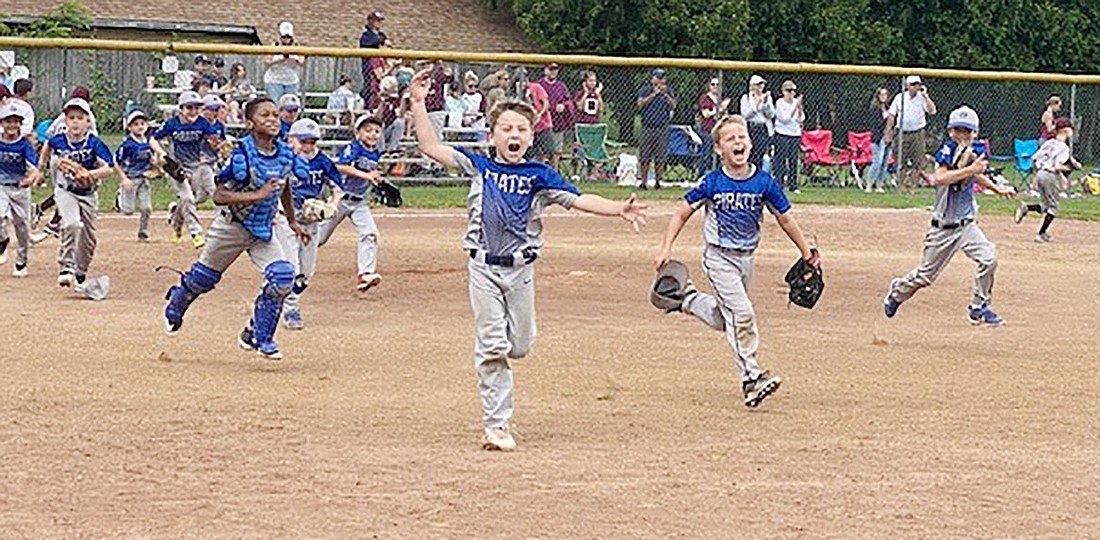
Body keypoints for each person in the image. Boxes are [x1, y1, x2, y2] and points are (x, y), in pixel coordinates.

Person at [408, 68, 647, 452]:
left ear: (532, 136)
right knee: (492, 346)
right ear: (492, 135)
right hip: (483, 267)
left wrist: (618, 208)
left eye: (521, 129)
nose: (514, 135)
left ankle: (505, 348)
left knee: (518, 345)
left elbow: (581, 199)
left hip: (521, 271)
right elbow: (432, 149)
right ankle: (497, 425)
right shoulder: (480, 167)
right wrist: (418, 103)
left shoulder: (540, 175)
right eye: (506, 128)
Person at [654, 114, 819, 408]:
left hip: (746, 259)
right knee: (741, 314)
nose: (738, 142)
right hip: (718, 258)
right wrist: (666, 247)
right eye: (730, 139)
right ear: (718, 149)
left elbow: (785, 219)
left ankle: (685, 299)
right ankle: (751, 378)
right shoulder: (712, 182)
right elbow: (681, 212)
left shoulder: (763, 182)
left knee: (724, 318)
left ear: (751, 142)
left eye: (742, 137)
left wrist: (807, 252)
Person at [162, 96, 310, 360]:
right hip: (232, 226)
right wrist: (258, 195)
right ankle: (178, 302)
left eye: (275, 115)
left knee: (283, 276)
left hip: (263, 230)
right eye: (265, 115)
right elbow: (219, 195)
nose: (273, 120)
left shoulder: (285, 153)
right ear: (250, 123)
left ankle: (258, 335)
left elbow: (283, 187)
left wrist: (292, 221)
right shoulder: (241, 153)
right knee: (203, 279)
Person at [883, 106, 1015, 326]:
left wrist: (996, 188)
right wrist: (972, 170)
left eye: (967, 130)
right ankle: (897, 291)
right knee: (925, 276)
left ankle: (978, 307)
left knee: (989, 258)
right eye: (957, 130)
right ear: (950, 131)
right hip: (943, 227)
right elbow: (940, 178)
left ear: (975, 132)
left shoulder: (974, 151)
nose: (962, 135)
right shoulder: (946, 151)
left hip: (967, 225)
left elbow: (975, 175)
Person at [41, 98, 115, 292]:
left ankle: (81, 271)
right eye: (71, 118)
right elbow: (48, 146)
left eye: (80, 118)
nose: (75, 122)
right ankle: (66, 267)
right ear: (65, 122)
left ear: (88, 122)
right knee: (72, 223)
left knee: (89, 238)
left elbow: (109, 168)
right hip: (65, 191)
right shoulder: (58, 140)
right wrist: (40, 168)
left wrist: (90, 174)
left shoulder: (94, 143)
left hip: (88, 194)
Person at [276, 118, 344, 329]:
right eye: (303, 141)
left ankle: (275, 298)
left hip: (310, 221)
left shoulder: (322, 162)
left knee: (306, 273)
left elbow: (337, 188)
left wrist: (332, 205)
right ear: (290, 140)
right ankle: (290, 309)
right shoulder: (283, 160)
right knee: (291, 267)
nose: (308, 146)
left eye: (312, 142)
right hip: (286, 218)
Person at [316, 115, 385, 292]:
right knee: (319, 238)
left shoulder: (375, 151)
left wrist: (375, 177)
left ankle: (365, 274)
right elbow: (340, 166)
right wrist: (366, 175)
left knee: (370, 233)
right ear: (358, 132)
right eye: (368, 130)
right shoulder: (353, 148)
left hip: (359, 201)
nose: (373, 134)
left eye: (376, 131)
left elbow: (368, 172)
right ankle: (293, 255)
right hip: (341, 199)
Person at [153, 90, 220, 248]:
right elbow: (153, 139)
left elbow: (213, 141)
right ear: (181, 109)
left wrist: (216, 144)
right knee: (188, 198)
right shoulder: (172, 124)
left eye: (197, 108)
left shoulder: (202, 123)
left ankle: (176, 221)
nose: (193, 111)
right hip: (177, 168)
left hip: (195, 167)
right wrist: (162, 153)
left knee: (190, 200)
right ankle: (196, 232)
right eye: (189, 107)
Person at [1016, 117, 1076, 243]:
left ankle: (1026, 207)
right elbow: (1057, 166)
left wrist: (1035, 176)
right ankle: (1041, 233)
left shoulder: (1049, 142)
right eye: (1070, 129)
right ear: (1064, 130)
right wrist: (1071, 167)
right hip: (1050, 175)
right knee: (1054, 207)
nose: (1072, 131)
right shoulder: (1064, 148)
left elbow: (1034, 159)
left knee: (1045, 205)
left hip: (1041, 173)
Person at [0, 104, 42, 277]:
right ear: (2, 123)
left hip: (20, 189)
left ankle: (21, 260)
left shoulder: (24, 145)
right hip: (1, 187)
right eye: (8, 121)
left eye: (16, 122)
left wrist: (30, 178)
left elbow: (34, 168)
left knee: (22, 228)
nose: (12, 125)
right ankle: (2, 240)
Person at [114, 110, 165, 242]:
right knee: (128, 210)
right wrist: (124, 179)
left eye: (142, 123)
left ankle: (143, 233)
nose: (140, 126)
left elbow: (151, 160)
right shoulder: (127, 145)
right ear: (129, 127)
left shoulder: (148, 143)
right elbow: (115, 162)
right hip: (130, 179)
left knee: (146, 208)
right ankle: (119, 196)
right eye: (135, 124)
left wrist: (156, 169)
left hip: (143, 179)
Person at [885, 75, 938, 190]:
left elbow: (932, 111)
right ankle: (900, 186)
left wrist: (926, 96)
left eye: (918, 84)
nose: (916, 87)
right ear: (907, 86)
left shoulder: (922, 98)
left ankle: (913, 187)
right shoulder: (900, 97)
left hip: (917, 132)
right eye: (913, 84)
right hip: (901, 132)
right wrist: (888, 131)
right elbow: (892, 115)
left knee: (917, 161)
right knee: (900, 161)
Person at [637, 68, 677, 189]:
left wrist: (664, 94)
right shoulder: (645, 90)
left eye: (662, 78)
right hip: (647, 127)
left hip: (662, 127)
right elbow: (640, 104)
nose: (660, 80)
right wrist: (653, 94)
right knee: (645, 157)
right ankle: (643, 182)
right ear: (652, 78)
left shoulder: (667, 91)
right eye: (658, 78)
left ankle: (658, 182)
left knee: (660, 157)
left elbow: (673, 105)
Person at [538, 63, 574, 169]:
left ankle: (554, 171)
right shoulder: (539, 85)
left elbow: (569, 101)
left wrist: (564, 105)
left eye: (555, 69)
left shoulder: (561, 86)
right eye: (551, 69)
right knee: (543, 151)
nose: (553, 72)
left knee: (556, 151)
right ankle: (543, 171)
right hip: (543, 123)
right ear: (545, 70)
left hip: (558, 123)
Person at [772, 80, 805, 192]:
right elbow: (785, 119)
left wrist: (799, 107)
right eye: (788, 90)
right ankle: (779, 184)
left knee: (793, 160)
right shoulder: (780, 103)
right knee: (781, 159)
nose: (791, 93)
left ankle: (793, 185)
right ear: (783, 91)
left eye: (793, 91)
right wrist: (795, 107)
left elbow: (801, 119)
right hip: (782, 133)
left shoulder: (796, 102)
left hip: (795, 134)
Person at [263, 22, 305, 102]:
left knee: (290, 104)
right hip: (274, 80)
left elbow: (301, 61)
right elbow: (267, 61)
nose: (286, 39)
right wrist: (280, 59)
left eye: (288, 37)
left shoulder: (296, 46)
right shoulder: (274, 46)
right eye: (283, 37)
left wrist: (293, 58)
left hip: (291, 81)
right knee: (275, 103)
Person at [739, 74, 774, 168]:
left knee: (760, 154)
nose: (761, 87)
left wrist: (766, 103)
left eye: (762, 84)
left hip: (762, 128)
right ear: (752, 86)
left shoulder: (767, 97)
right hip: (750, 127)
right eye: (758, 84)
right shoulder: (746, 98)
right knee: (749, 153)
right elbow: (745, 115)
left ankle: (757, 175)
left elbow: (770, 115)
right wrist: (757, 104)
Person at [696, 77, 728, 175]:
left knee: (720, 155)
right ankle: (700, 176)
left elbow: (725, 115)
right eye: (713, 84)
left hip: (719, 130)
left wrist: (720, 110)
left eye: (717, 85)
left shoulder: (721, 99)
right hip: (708, 130)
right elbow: (706, 114)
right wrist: (719, 108)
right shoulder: (705, 98)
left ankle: (718, 176)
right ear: (709, 86)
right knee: (707, 153)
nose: (715, 87)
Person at [865, 87, 891, 193]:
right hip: (877, 138)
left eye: (885, 94)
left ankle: (879, 184)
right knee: (878, 161)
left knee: (885, 162)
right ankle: (869, 184)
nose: (883, 97)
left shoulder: (889, 108)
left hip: (888, 137)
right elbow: (875, 125)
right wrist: (884, 118)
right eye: (881, 94)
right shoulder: (874, 109)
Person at [358, 11, 387, 104]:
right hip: (370, 67)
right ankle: (366, 104)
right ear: (370, 21)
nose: (379, 23)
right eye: (376, 20)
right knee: (370, 87)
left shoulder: (381, 34)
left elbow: (385, 43)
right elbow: (373, 41)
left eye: (380, 21)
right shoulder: (366, 35)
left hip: (380, 64)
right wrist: (381, 40)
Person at [376, 75, 407, 153]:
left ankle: (392, 149)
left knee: (399, 122)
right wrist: (382, 102)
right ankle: (381, 150)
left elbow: (400, 114)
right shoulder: (377, 98)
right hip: (378, 131)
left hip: (390, 129)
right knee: (379, 124)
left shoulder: (395, 100)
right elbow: (376, 118)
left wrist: (404, 100)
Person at [526, 80, 553, 162]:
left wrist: (540, 114)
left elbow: (546, 103)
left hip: (543, 125)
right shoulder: (517, 92)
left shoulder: (536, 87)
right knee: (531, 152)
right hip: (529, 128)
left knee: (548, 150)